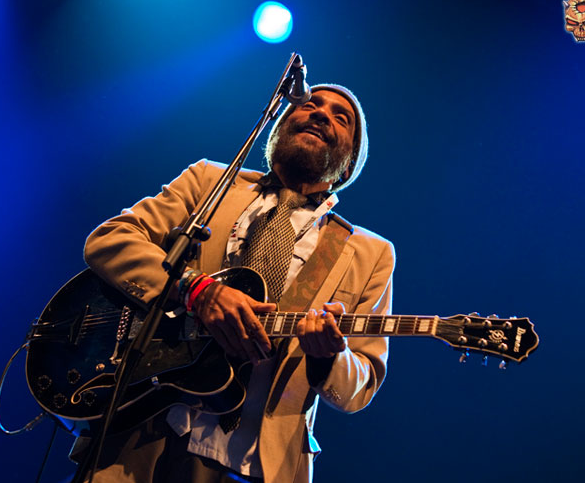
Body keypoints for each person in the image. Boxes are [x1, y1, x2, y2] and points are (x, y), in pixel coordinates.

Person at [75, 84, 395, 483]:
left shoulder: (370, 253)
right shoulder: (210, 181)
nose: (320, 113)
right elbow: (110, 240)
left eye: (340, 117)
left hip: (254, 461)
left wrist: (329, 356)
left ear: (347, 167)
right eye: (309, 104)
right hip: (142, 424)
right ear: (277, 133)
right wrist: (196, 290)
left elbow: (359, 387)